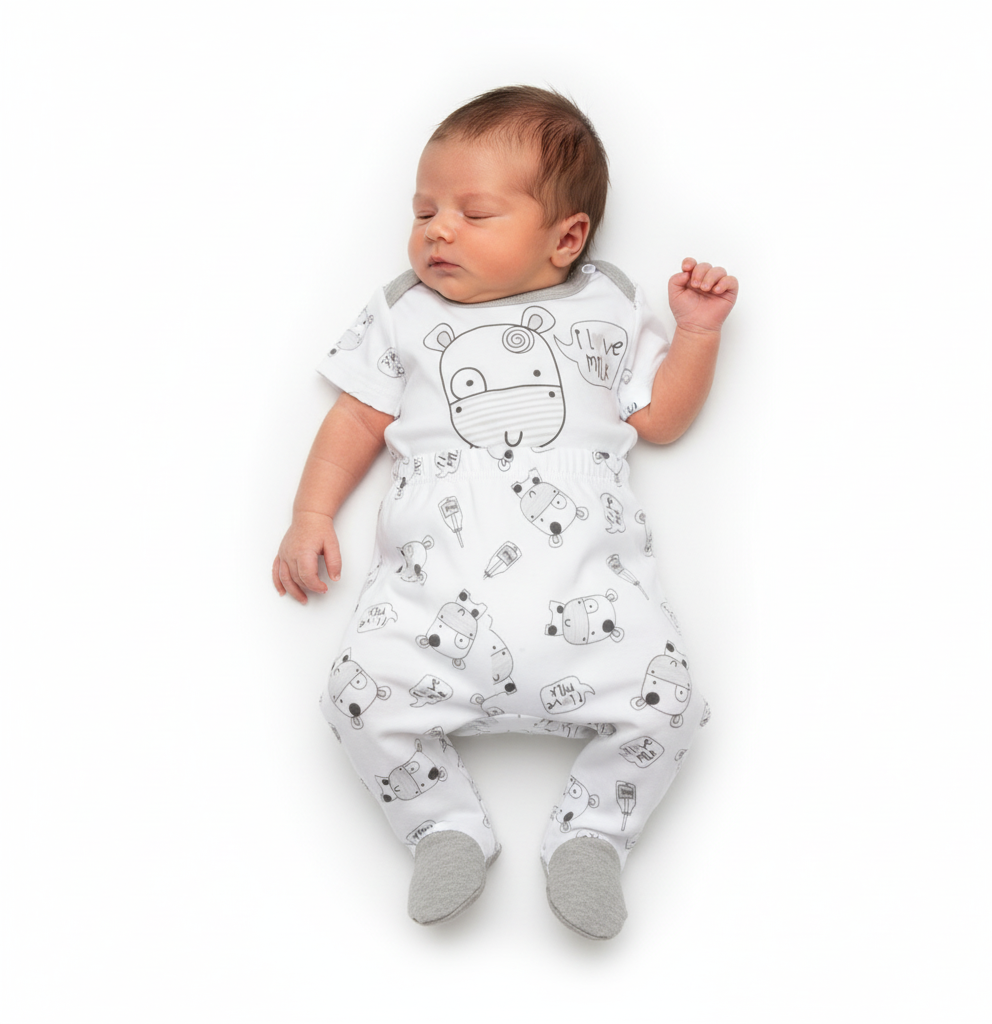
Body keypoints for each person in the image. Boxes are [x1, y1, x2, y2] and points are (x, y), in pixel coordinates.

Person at [273, 86, 738, 940]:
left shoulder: (609, 307)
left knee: (674, 706)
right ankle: (443, 826)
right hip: (430, 605)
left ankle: (593, 833)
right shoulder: (404, 314)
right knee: (351, 695)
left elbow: (661, 420)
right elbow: (355, 421)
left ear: (566, 238)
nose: (438, 231)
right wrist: (311, 515)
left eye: (474, 212)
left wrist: (697, 335)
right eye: (424, 211)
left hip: (593, 598)